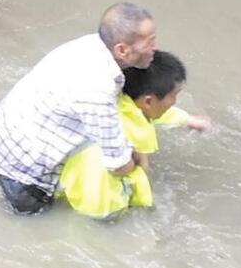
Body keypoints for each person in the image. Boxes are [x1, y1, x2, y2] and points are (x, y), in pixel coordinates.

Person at [0, 2, 157, 214]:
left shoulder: (88, 44)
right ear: (122, 50)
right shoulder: (98, 89)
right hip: (23, 182)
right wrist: (140, 164)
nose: (154, 48)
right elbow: (118, 166)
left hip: (2, 142)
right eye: (149, 42)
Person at [57, 50, 209, 219]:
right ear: (148, 101)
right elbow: (100, 212)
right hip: (96, 206)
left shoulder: (117, 102)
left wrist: (185, 119)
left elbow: (147, 113)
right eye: (174, 95)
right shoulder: (107, 155)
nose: (175, 102)